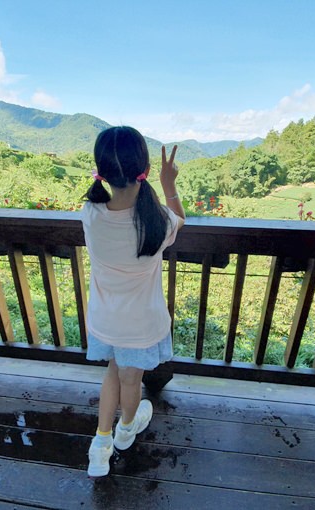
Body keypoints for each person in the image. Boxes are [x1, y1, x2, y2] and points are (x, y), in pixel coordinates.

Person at [81, 126, 185, 477]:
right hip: (141, 325)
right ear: (143, 168)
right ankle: (126, 429)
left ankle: (101, 443)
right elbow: (179, 218)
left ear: (102, 170)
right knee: (130, 380)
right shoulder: (157, 223)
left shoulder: (91, 215)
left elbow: (111, 207)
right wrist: (168, 184)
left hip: (105, 320)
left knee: (113, 371)